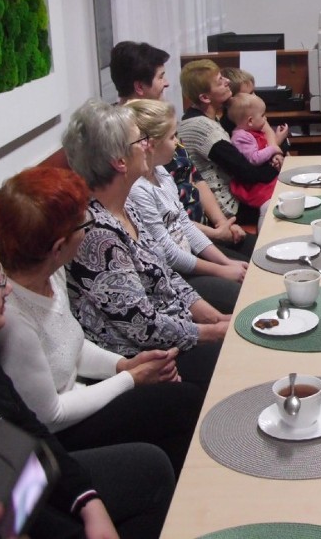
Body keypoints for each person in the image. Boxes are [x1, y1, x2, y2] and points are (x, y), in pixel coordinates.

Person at [0, 167, 204, 476]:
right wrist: (131, 378)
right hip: (57, 437)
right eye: (83, 223)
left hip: (82, 395)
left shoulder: (51, 272)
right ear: (58, 247)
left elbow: (72, 347)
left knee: (179, 398)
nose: (90, 229)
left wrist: (123, 365)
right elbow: (51, 415)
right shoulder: (12, 320)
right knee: (180, 404)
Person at [0, 225, 174, 539]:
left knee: (151, 468)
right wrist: (128, 377)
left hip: (23, 486)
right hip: (8, 507)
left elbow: (25, 426)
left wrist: (86, 500)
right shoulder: (10, 324)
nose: (7, 289)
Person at [62, 98, 228, 391]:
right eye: (141, 140)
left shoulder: (124, 206)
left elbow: (165, 273)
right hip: (143, 359)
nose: (149, 146)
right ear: (119, 161)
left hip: (174, 332)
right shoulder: (97, 236)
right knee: (237, 361)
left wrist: (210, 315)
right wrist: (210, 332)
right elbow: (143, 327)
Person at [110, 41, 252, 255]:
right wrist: (215, 234)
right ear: (140, 87)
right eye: (160, 77)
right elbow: (162, 217)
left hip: (205, 229)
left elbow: (193, 175)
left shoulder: (162, 120)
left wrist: (222, 223)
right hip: (182, 243)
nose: (167, 83)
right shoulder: (130, 139)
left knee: (261, 250)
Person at [127, 99, 247, 314]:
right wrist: (221, 271)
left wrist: (225, 262)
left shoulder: (161, 172)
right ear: (151, 144)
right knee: (243, 295)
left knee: (249, 270)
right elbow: (169, 253)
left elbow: (185, 225)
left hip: (189, 258)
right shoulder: (137, 190)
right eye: (172, 137)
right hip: (175, 275)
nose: (178, 143)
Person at [178, 60, 281, 226]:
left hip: (239, 194)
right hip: (229, 207)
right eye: (220, 81)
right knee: (288, 205)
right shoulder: (201, 127)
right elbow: (246, 173)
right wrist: (277, 168)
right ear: (205, 97)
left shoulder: (212, 119)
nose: (227, 82)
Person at [226, 93, 286, 228]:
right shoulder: (241, 137)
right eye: (263, 115)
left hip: (265, 179)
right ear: (250, 121)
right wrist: (274, 148)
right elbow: (254, 158)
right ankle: (263, 231)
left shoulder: (254, 131)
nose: (266, 118)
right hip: (255, 187)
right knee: (268, 206)